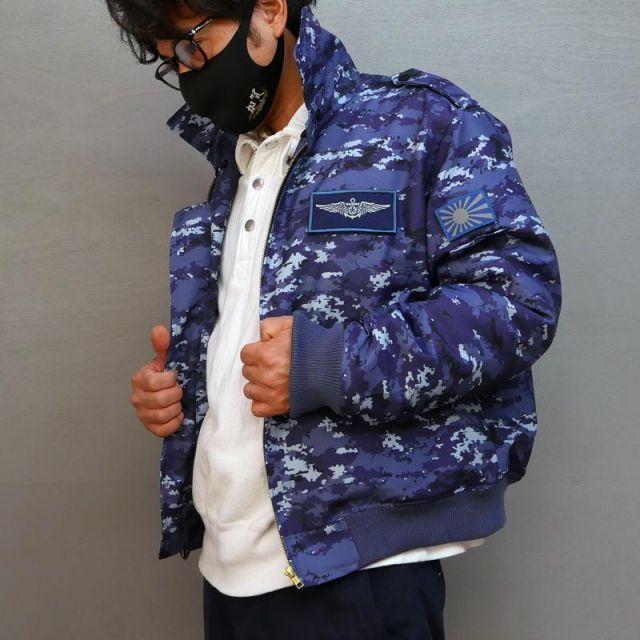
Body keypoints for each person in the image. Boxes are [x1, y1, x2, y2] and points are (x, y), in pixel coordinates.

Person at [118, 1, 562, 638]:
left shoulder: (422, 124)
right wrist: (181, 394)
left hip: (356, 570)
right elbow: (252, 347)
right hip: (229, 567)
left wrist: (328, 364)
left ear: (270, 10)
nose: (189, 75)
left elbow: (518, 300)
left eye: (193, 46)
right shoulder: (237, 167)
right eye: (172, 63)